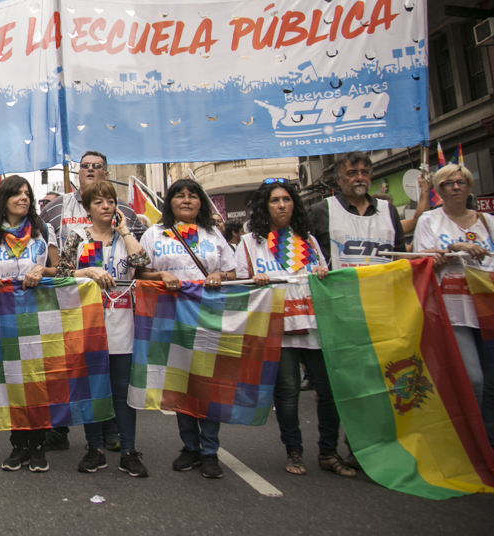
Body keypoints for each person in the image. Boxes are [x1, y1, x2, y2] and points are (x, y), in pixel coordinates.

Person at [237, 179, 356, 478]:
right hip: (278, 325)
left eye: (287, 200)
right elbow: (240, 283)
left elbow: (323, 276)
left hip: (315, 324)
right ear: (265, 206)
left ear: (294, 204)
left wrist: (322, 272)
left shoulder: (310, 240)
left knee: (328, 391)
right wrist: (255, 281)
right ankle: (294, 450)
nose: (281, 205)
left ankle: (328, 452)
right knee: (288, 391)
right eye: (275, 200)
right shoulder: (251, 242)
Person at [137, 178, 238, 480]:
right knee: (180, 382)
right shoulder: (154, 234)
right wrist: (160, 273)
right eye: (179, 196)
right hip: (170, 319)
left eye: (192, 196)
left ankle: (210, 451)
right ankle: (189, 447)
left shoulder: (213, 234)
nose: (186, 201)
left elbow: (233, 271)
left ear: (200, 203)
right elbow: (140, 272)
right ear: (169, 202)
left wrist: (220, 274)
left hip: (208, 317)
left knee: (206, 384)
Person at [56, 180, 149, 478]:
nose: (107, 206)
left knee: (122, 392)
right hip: (88, 324)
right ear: (87, 209)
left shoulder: (125, 237)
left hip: (123, 324)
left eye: (110, 200)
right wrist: (87, 271)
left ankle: (129, 451)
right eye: (99, 202)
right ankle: (94, 449)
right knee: (92, 389)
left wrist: (124, 231)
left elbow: (142, 262)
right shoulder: (77, 238)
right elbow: (62, 274)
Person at [0, 175, 59, 473]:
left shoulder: (45, 229)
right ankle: (18, 445)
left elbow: (60, 269)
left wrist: (42, 269)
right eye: (17, 194)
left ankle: (37, 446)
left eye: (27, 193)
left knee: (37, 379)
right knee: (9, 379)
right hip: (1, 317)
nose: (24, 198)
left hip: (39, 316)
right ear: (3, 199)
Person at [413, 164, 494, 448]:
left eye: (461, 182)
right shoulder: (429, 221)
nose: (456, 187)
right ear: (439, 190)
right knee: (474, 379)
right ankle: (468, 442)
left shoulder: (487, 222)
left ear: (470, 187)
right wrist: (453, 249)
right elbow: (420, 261)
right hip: (452, 311)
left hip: (487, 309)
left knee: (492, 383)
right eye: (449, 183)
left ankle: (488, 443)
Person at [308, 152, 406, 270]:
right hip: (340, 288)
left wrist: (425, 257)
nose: (360, 178)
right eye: (352, 173)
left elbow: (401, 259)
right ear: (338, 179)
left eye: (365, 172)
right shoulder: (321, 211)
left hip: (383, 287)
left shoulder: (389, 211)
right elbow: (306, 256)